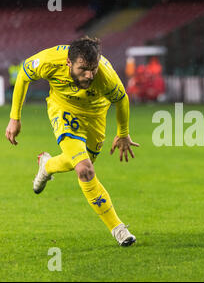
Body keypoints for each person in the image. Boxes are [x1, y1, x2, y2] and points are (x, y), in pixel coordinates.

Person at [5, 37, 139, 246]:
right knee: (85, 169)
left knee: (87, 161)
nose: (89, 75)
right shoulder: (50, 60)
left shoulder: (106, 76)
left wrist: (123, 133)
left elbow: (121, 99)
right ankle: (119, 229)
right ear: (68, 63)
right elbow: (23, 74)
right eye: (83, 69)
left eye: (92, 69)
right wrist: (15, 118)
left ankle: (47, 165)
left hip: (95, 116)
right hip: (64, 111)